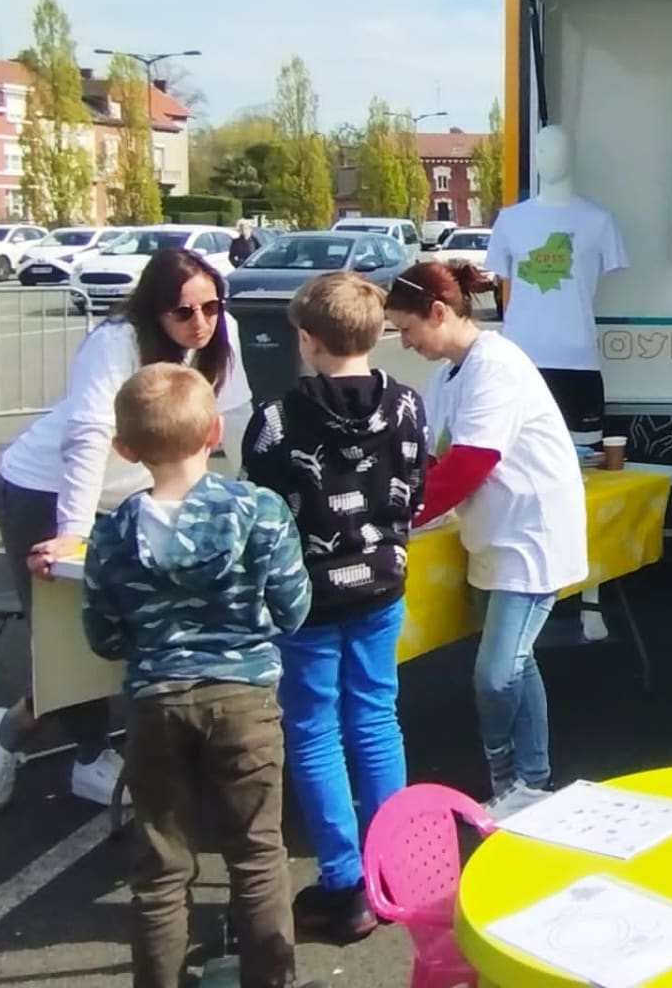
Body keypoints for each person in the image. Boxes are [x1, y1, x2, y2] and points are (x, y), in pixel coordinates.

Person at [0, 247, 253, 812]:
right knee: (71, 633)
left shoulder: (223, 334)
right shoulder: (116, 342)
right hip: (46, 492)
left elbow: (237, 418)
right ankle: (89, 755)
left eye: (211, 306)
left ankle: (6, 728)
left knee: (137, 626)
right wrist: (74, 533)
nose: (200, 322)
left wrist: (251, 498)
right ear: (154, 310)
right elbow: (89, 438)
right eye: (183, 312)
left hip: (132, 492)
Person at [81, 363, 313, 988]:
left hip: (156, 701)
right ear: (214, 432)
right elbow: (294, 610)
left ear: (125, 448)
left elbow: (103, 635)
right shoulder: (260, 512)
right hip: (244, 698)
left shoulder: (113, 534)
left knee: (160, 871)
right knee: (257, 855)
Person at [243, 273, 428, 946]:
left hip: (310, 592)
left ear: (306, 339)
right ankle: (396, 867)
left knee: (315, 729)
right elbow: (415, 487)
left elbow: (260, 508)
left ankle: (345, 882)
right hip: (381, 580)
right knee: (376, 717)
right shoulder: (406, 404)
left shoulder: (277, 418)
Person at [384, 260, 587, 819]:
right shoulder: (450, 374)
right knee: (518, 663)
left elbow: (470, 461)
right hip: (493, 536)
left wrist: (404, 515)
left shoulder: (495, 366)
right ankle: (530, 782)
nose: (405, 343)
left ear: (439, 312)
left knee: (496, 675)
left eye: (407, 329)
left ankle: (511, 779)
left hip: (529, 536)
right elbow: (430, 460)